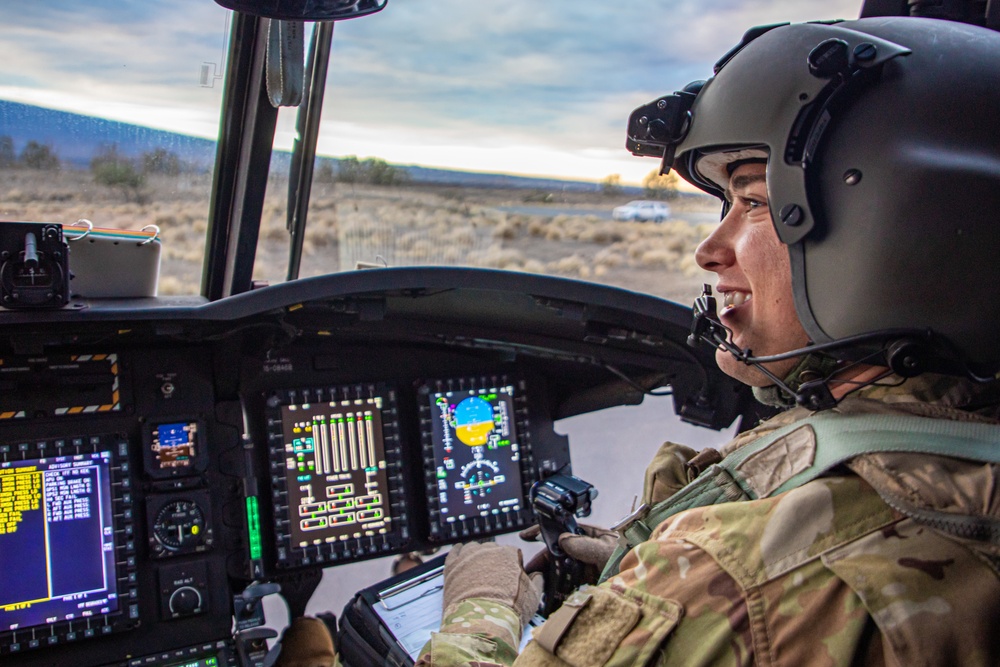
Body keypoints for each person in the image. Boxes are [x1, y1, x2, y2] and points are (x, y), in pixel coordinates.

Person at [280, 14, 1000, 666]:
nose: (710, 249)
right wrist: (633, 563)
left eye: (752, 200)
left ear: (891, 225)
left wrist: (482, 604)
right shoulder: (951, 448)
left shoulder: (733, 578)